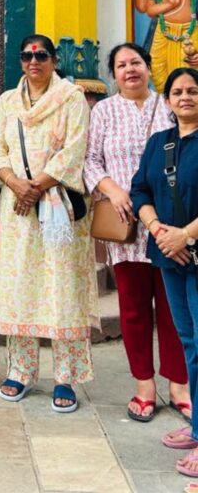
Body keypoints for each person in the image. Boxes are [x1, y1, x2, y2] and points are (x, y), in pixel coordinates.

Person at [0, 34, 99, 413]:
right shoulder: (7, 102)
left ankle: (65, 376)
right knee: (20, 287)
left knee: (63, 287)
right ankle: (20, 370)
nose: (34, 61)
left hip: (59, 207)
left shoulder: (72, 98)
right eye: (27, 55)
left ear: (54, 60)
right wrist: (16, 184)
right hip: (18, 209)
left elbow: (75, 149)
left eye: (41, 55)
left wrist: (38, 186)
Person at [84, 42, 190, 423]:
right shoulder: (104, 111)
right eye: (121, 65)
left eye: (135, 63)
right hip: (126, 224)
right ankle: (144, 385)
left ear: (148, 67)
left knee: (175, 308)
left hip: (170, 225)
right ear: (113, 74)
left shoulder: (169, 103)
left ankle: (179, 384)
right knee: (133, 309)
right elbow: (90, 160)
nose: (129, 70)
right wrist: (112, 189)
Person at [131, 67, 198, 478]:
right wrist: (158, 230)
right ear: (168, 100)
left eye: (193, 90)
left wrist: (186, 235)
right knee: (190, 342)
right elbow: (140, 189)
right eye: (178, 91)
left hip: (190, 249)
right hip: (170, 256)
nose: (186, 97)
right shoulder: (160, 143)